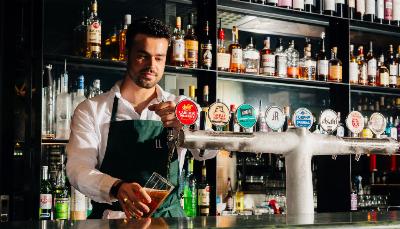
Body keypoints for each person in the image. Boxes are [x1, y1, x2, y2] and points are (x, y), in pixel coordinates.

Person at [66, 17, 216, 219]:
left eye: (159, 58)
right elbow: (78, 169)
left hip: (168, 220)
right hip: (113, 220)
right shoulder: (92, 109)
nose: (151, 66)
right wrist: (116, 187)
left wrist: (186, 130)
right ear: (126, 54)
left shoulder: (182, 106)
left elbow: (209, 152)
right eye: (142, 56)